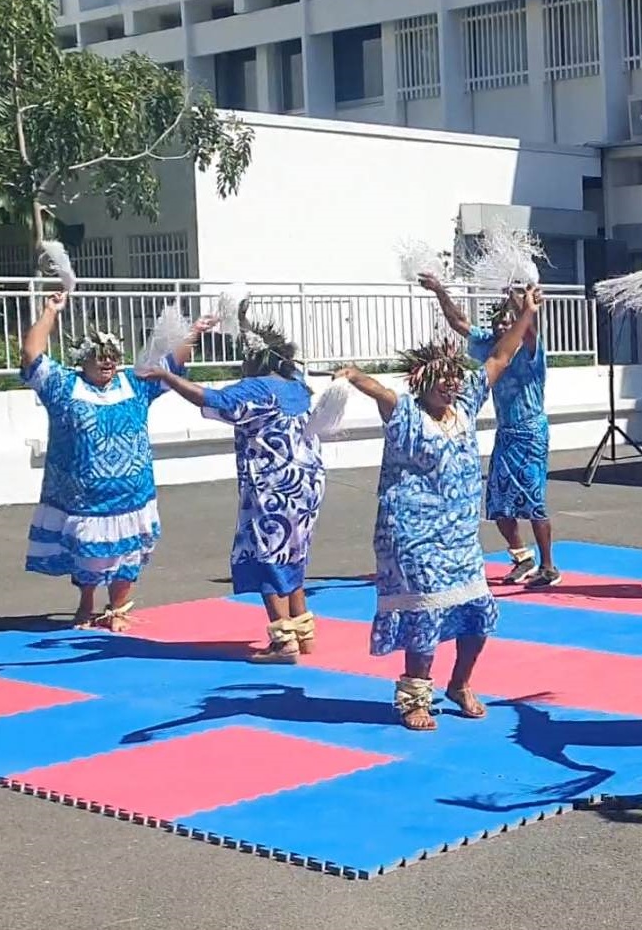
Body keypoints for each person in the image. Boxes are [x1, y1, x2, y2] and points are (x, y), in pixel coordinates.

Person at [335, 288, 542, 730]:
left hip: (459, 536)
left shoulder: (465, 405)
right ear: (423, 382)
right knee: (425, 613)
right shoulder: (407, 415)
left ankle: (460, 683)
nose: (451, 385)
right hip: (413, 533)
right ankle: (415, 698)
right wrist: (353, 375)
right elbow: (381, 392)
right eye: (442, 379)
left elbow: (501, 356)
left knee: (479, 612)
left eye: (454, 378)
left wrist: (526, 312)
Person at [19, 292, 213, 630]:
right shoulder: (62, 386)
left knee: (128, 554)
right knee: (87, 554)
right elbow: (31, 354)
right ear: (83, 360)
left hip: (131, 495)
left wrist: (193, 332)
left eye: (112, 357)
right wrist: (50, 310)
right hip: (84, 499)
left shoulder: (135, 384)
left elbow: (172, 364)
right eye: (99, 357)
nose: (107, 362)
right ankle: (86, 606)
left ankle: (118, 608)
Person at [139, 312, 325, 663]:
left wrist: (167, 377)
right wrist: (237, 320)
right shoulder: (297, 383)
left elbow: (213, 399)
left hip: (273, 488)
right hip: (308, 484)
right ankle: (304, 632)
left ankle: (283, 639)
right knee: (294, 553)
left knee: (267, 557)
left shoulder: (259, 389)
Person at [421, 273, 559, 588]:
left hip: (531, 432)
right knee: (498, 503)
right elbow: (459, 322)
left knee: (533, 499)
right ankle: (521, 556)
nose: (501, 326)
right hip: (506, 433)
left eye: (508, 321)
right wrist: (440, 290)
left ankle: (548, 566)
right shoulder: (488, 345)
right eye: (498, 322)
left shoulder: (530, 349)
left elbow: (530, 328)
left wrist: (519, 298)